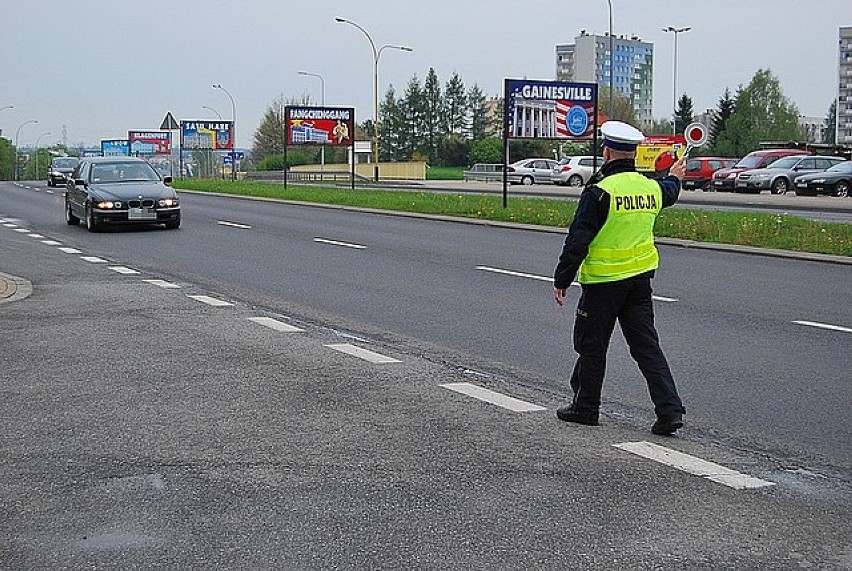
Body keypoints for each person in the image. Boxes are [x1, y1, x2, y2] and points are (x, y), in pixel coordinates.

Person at [552, 120, 687, 435]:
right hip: (639, 283)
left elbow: (578, 240)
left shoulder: (600, 191)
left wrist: (562, 279)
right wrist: (675, 177)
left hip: (603, 284)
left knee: (591, 345)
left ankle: (586, 408)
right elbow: (670, 191)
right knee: (646, 347)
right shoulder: (650, 187)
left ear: (607, 151)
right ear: (634, 153)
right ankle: (670, 410)